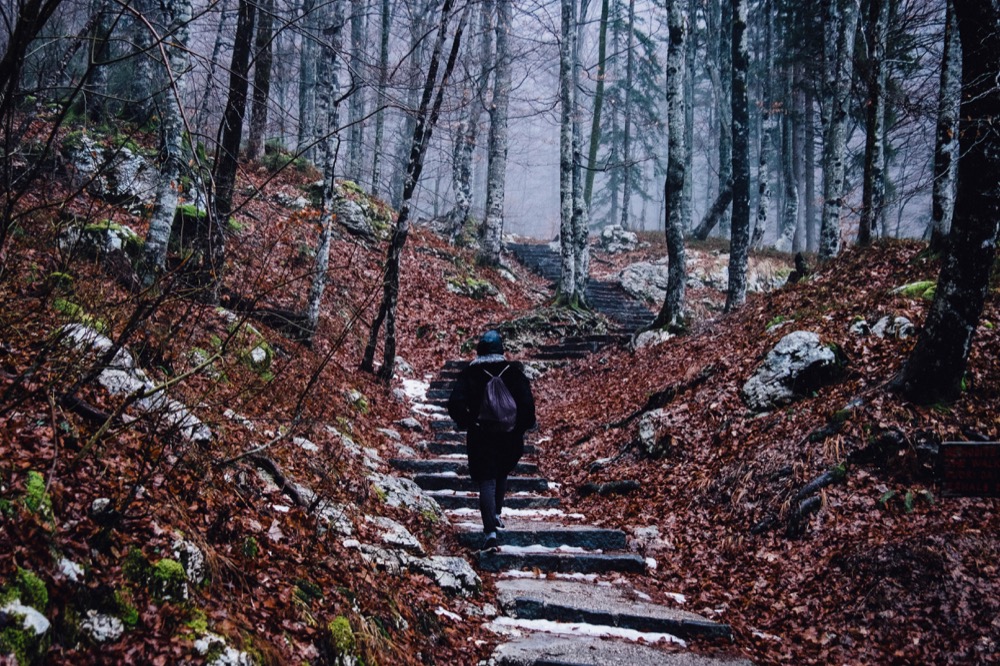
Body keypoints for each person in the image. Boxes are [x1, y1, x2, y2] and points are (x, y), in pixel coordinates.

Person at [447, 330, 536, 552]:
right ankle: (496, 514)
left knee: (487, 480)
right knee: (501, 472)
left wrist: (469, 422)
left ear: (479, 350)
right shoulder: (514, 372)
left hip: (481, 435)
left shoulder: (470, 373)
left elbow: (454, 404)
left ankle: (490, 532)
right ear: (501, 349)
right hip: (509, 435)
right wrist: (519, 427)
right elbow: (527, 406)